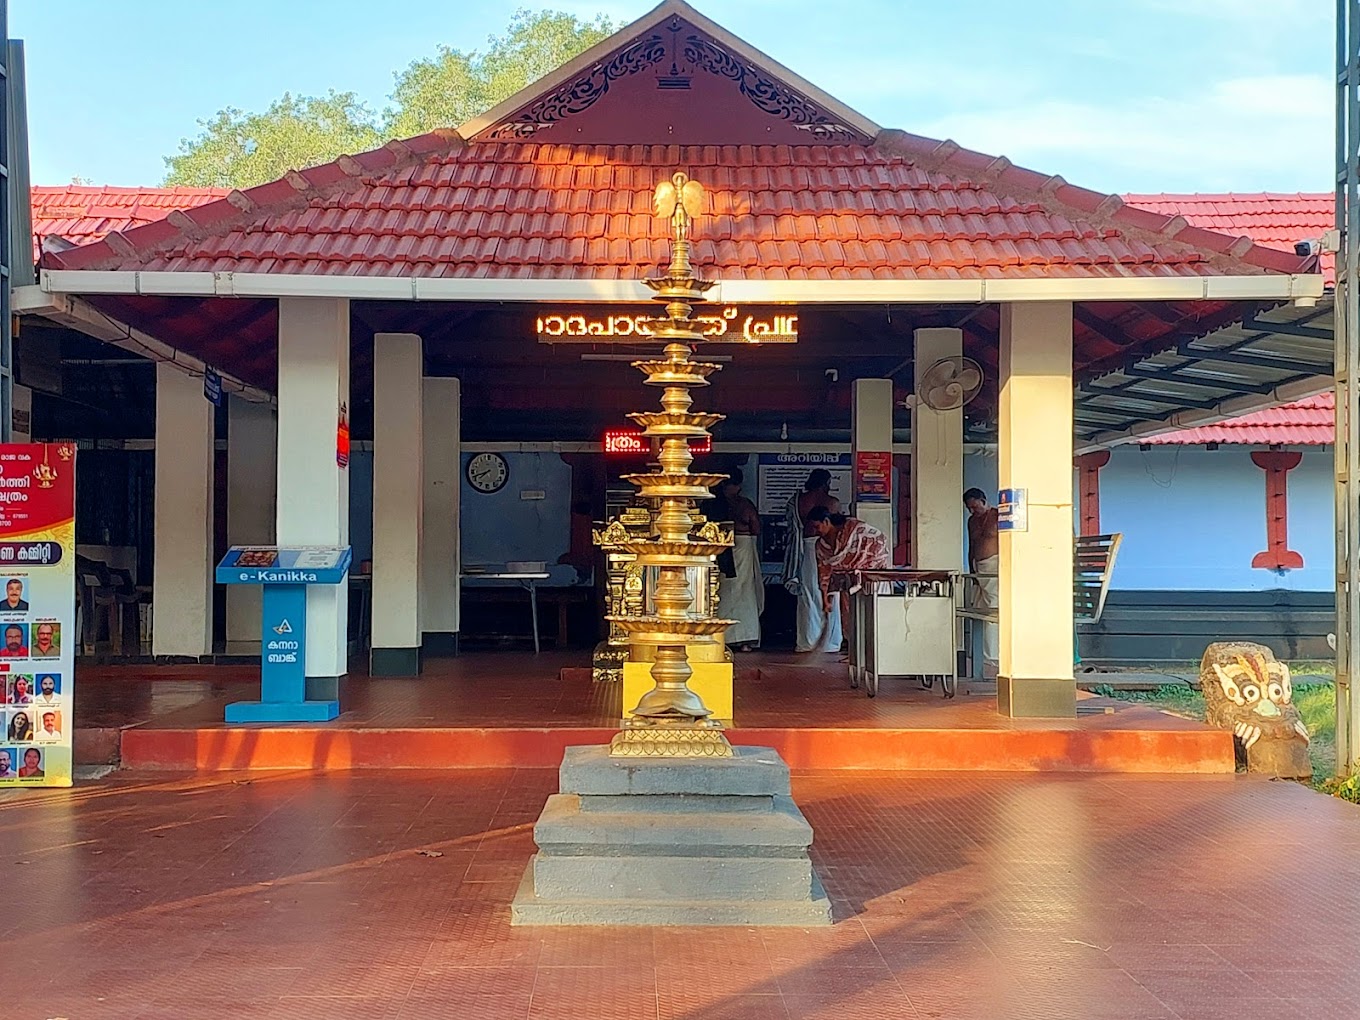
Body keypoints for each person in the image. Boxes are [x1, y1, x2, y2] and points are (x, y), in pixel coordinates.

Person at [807, 507, 891, 660]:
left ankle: (875, 655)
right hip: (848, 585)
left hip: (871, 581)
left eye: (816, 526)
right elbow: (824, 573)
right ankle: (856, 654)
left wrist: (864, 571)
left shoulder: (854, 529)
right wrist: (826, 600)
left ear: (826, 522)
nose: (814, 531)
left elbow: (879, 541)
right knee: (850, 618)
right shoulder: (821, 546)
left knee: (872, 616)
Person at [782, 469, 843, 653]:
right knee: (831, 592)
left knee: (808, 594)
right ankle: (830, 642)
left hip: (806, 548)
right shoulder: (832, 502)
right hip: (827, 549)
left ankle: (807, 640)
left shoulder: (799, 500)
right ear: (826, 483)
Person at [711, 469, 764, 651]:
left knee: (724, 590)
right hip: (742, 544)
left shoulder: (714, 503)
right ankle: (744, 638)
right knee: (744, 591)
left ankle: (724, 636)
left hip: (722, 549)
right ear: (738, 486)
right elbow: (756, 528)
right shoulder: (744, 505)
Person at [964, 488, 1000, 678]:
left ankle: (994, 656)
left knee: (994, 609)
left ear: (983, 500)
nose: (972, 511)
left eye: (975, 507)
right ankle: (982, 655)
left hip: (995, 566)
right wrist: (972, 572)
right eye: (969, 508)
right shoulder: (972, 521)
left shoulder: (997, 516)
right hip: (979, 569)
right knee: (978, 610)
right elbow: (971, 546)